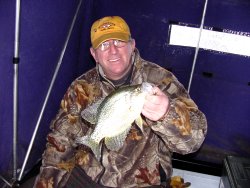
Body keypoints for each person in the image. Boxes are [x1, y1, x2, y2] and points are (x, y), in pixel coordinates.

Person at [34, 16, 207, 188]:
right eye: (104, 45)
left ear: (132, 45)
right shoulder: (81, 87)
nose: (113, 51)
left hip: (140, 182)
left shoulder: (161, 81)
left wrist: (167, 113)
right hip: (86, 177)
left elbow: (193, 142)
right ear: (94, 54)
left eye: (119, 42)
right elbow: (60, 142)